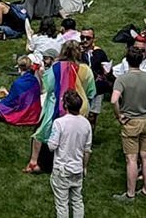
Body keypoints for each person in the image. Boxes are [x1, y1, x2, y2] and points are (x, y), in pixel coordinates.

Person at [110, 48, 146, 201]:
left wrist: (119, 115)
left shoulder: (122, 79)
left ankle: (130, 194)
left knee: (131, 159)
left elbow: (113, 100)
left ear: (127, 60)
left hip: (131, 122)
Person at [47, 90, 93, 218]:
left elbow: (51, 146)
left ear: (65, 105)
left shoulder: (59, 123)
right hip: (77, 169)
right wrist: (84, 167)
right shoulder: (86, 124)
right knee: (77, 200)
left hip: (62, 169)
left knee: (62, 204)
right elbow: (87, 150)